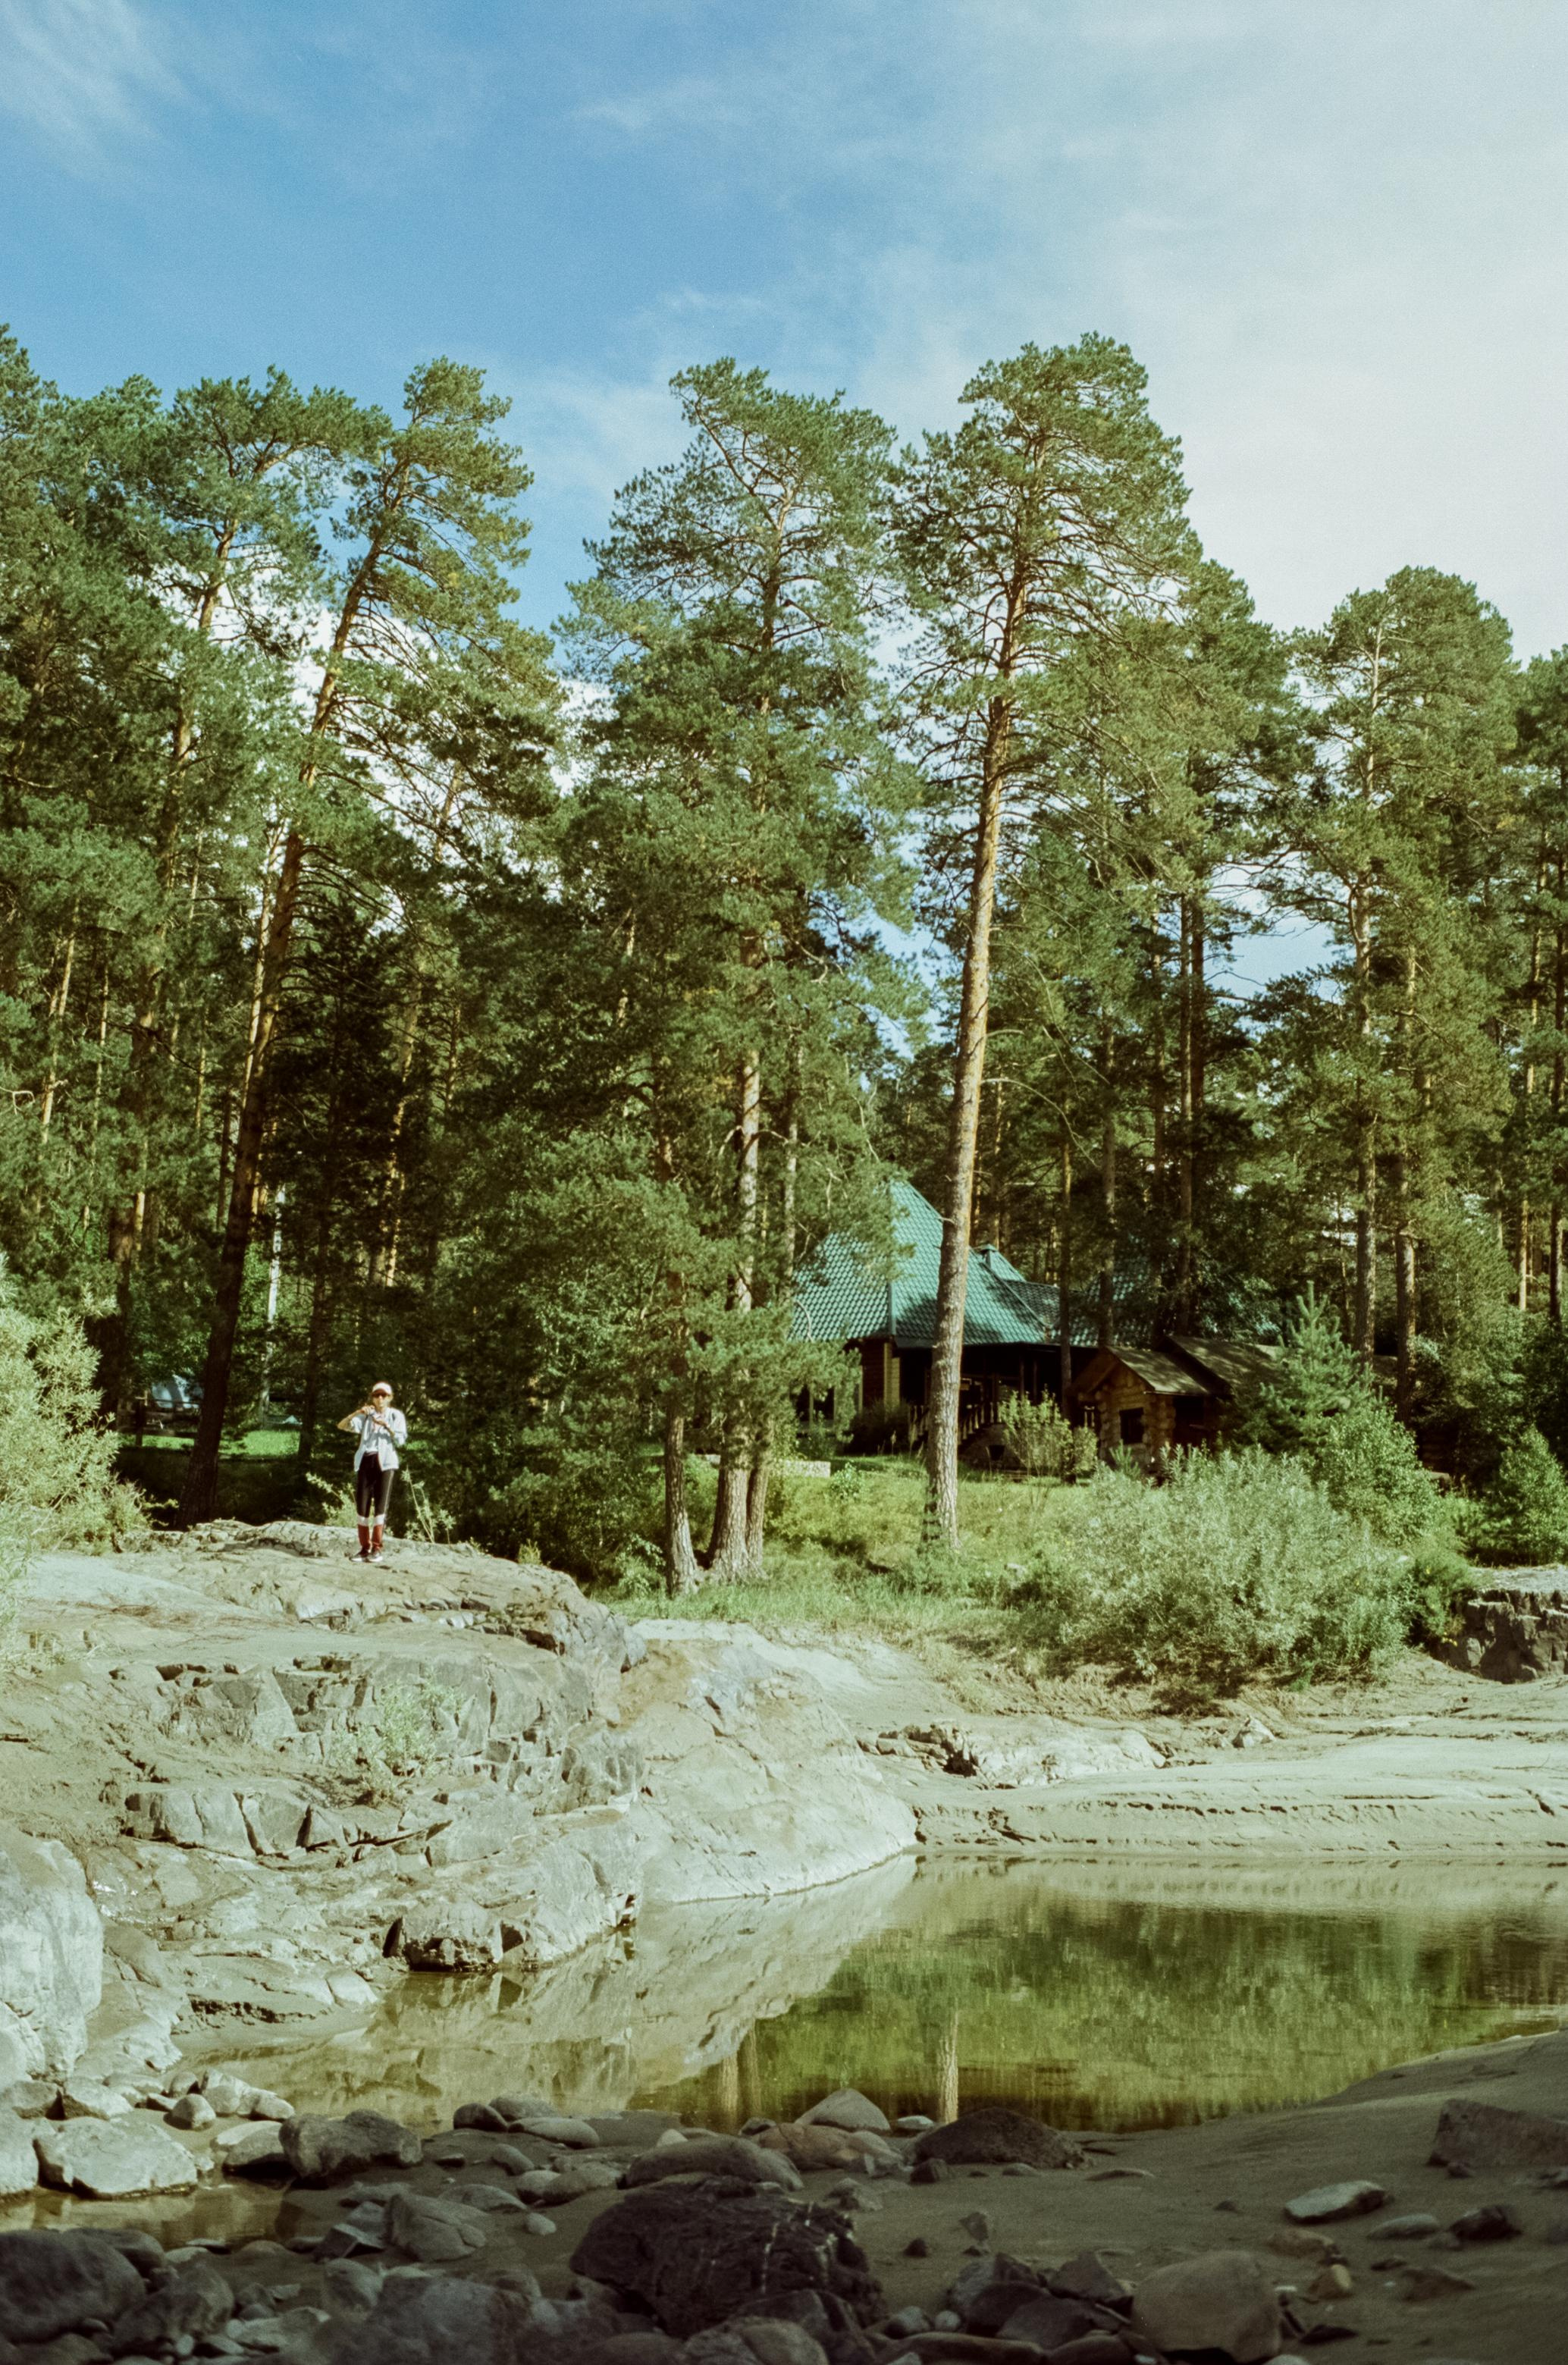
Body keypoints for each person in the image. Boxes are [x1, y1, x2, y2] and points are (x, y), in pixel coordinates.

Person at [337, 1382, 407, 1563]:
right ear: (372, 1397)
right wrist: (357, 1413)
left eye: (384, 1395)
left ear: (390, 1397)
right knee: (362, 1507)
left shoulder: (395, 1416)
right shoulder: (366, 1416)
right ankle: (364, 1548)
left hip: (385, 1463)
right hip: (366, 1460)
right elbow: (342, 1426)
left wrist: (387, 1427)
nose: (380, 1399)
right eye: (377, 1395)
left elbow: (401, 1440)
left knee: (380, 1508)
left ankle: (377, 1548)